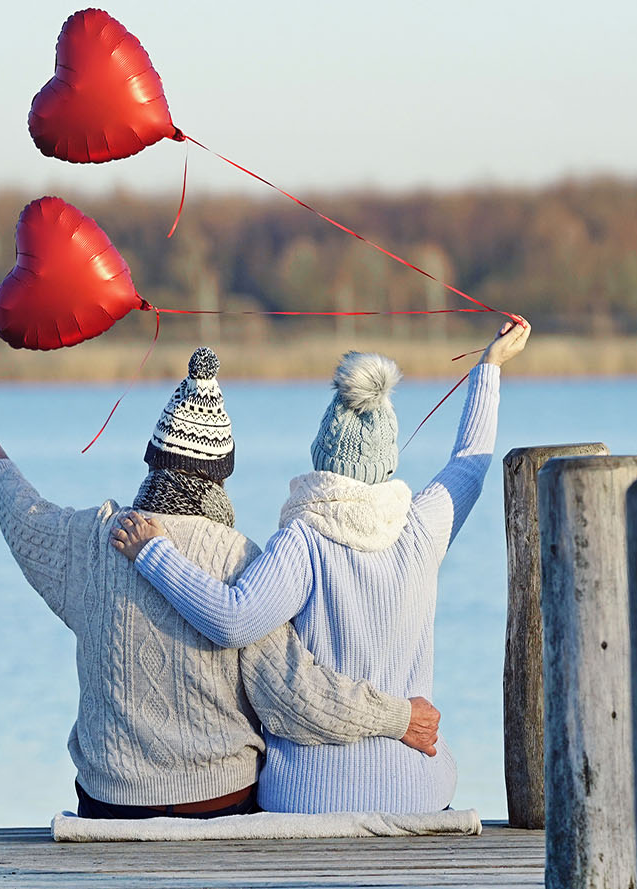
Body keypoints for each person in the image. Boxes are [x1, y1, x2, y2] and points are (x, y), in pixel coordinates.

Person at [0, 346, 442, 820]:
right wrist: (397, 718)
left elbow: (29, 521)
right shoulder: (239, 557)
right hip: (217, 798)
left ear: (153, 457)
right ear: (220, 475)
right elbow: (294, 695)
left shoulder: (92, 537)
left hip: (111, 800)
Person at [111, 317, 531, 813]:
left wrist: (154, 554)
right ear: (388, 462)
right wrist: (490, 367)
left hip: (308, 796)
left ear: (321, 454)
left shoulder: (303, 538)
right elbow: (470, 461)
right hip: (415, 787)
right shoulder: (422, 526)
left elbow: (232, 619)